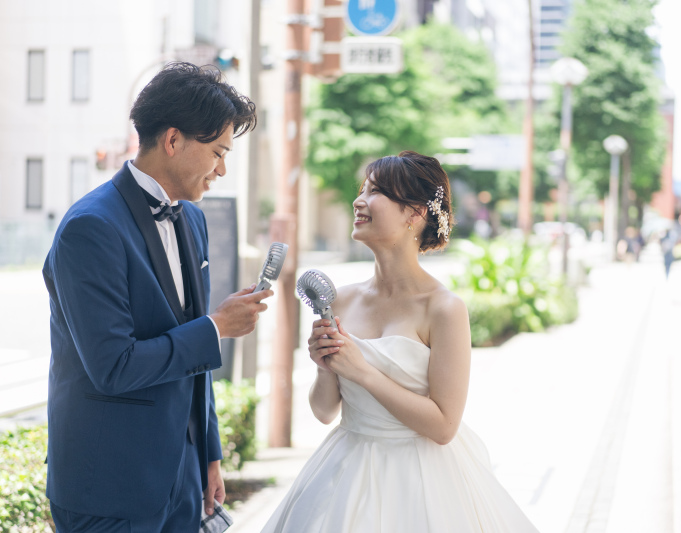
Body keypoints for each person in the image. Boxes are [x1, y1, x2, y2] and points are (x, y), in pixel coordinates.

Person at [43, 62, 271, 532]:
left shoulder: (192, 218)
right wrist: (216, 327)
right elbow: (113, 366)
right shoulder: (91, 228)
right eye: (218, 152)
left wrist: (208, 455)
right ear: (173, 141)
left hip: (183, 481)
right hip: (109, 488)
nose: (222, 169)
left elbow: (194, 365)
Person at [261, 151, 538, 532]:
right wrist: (326, 366)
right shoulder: (340, 299)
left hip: (423, 479)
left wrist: (363, 372)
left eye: (375, 192)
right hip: (347, 468)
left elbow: (443, 426)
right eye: (362, 190)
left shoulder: (444, 308)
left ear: (415, 214)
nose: (359, 200)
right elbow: (324, 412)